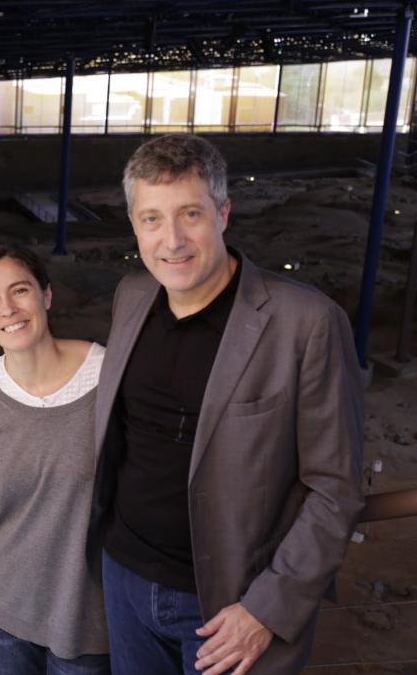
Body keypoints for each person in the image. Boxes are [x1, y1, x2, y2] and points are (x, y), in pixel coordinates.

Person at [88, 134, 364, 675]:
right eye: (151, 218)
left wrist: (268, 608)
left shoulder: (306, 324)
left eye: (190, 213)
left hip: (227, 604)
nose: (171, 240)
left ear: (223, 213)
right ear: (133, 224)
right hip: (124, 578)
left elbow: (337, 485)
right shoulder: (132, 296)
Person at [0, 246, 109, 675]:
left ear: (47, 295)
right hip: (8, 620)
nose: (8, 309)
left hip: (91, 621)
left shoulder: (112, 377)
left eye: (20, 290)